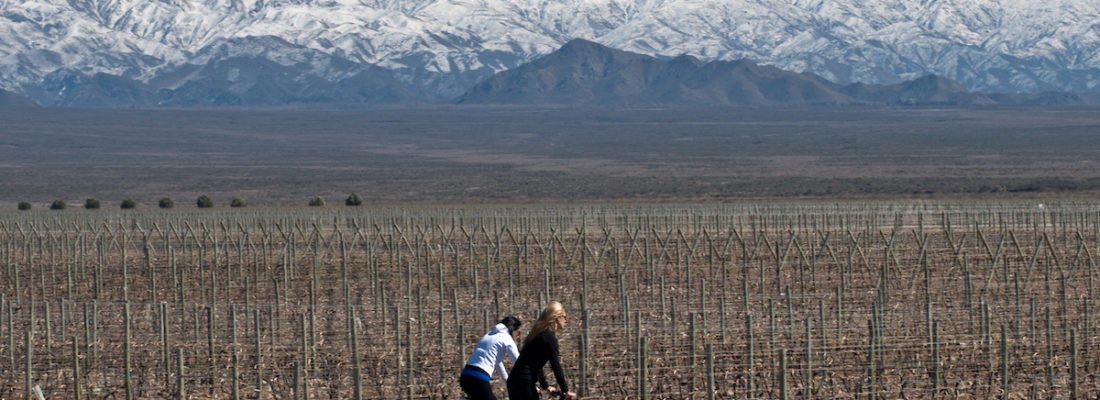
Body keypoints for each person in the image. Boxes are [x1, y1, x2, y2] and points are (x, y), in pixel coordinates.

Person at [507, 301, 577, 400]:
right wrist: (565, 390)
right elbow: (556, 366)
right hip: (525, 383)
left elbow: (535, 364)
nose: (566, 320)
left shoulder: (537, 334)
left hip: (514, 381)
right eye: (564, 316)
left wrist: (545, 386)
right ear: (557, 317)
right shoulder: (549, 338)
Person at [461, 316, 523, 400]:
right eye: (518, 333)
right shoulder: (507, 339)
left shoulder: (489, 335)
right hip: (478, 378)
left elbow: (497, 362)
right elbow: (519, 363)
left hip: (465, 376)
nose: (518, 336)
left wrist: (507, 381)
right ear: (512, 329)